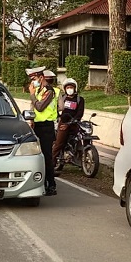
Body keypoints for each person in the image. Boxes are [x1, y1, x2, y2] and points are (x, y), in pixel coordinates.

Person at [26, 66, 58, 196]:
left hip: (46, 127)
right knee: (38, 156)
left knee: (46, 157)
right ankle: (41, 182)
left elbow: (39, 107)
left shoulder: (49, 91)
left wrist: (32, 95)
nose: (32, 82)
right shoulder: (39, 90)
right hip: (37, 126)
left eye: (34, 78)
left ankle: (51, 185)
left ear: (41, 77)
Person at [52, 77, 84, 161]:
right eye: (68, 88)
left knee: (80, 139)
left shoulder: (80, 99)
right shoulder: (62, 98)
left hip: (75, 123)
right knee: (58, 144)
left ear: (75, 88)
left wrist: (74, 120)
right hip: (63, 123)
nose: (70, 89)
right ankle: (52, 164)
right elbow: (56, 108)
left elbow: (80, 112)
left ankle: (81, 159)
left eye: (71, 87)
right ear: (65, 89)